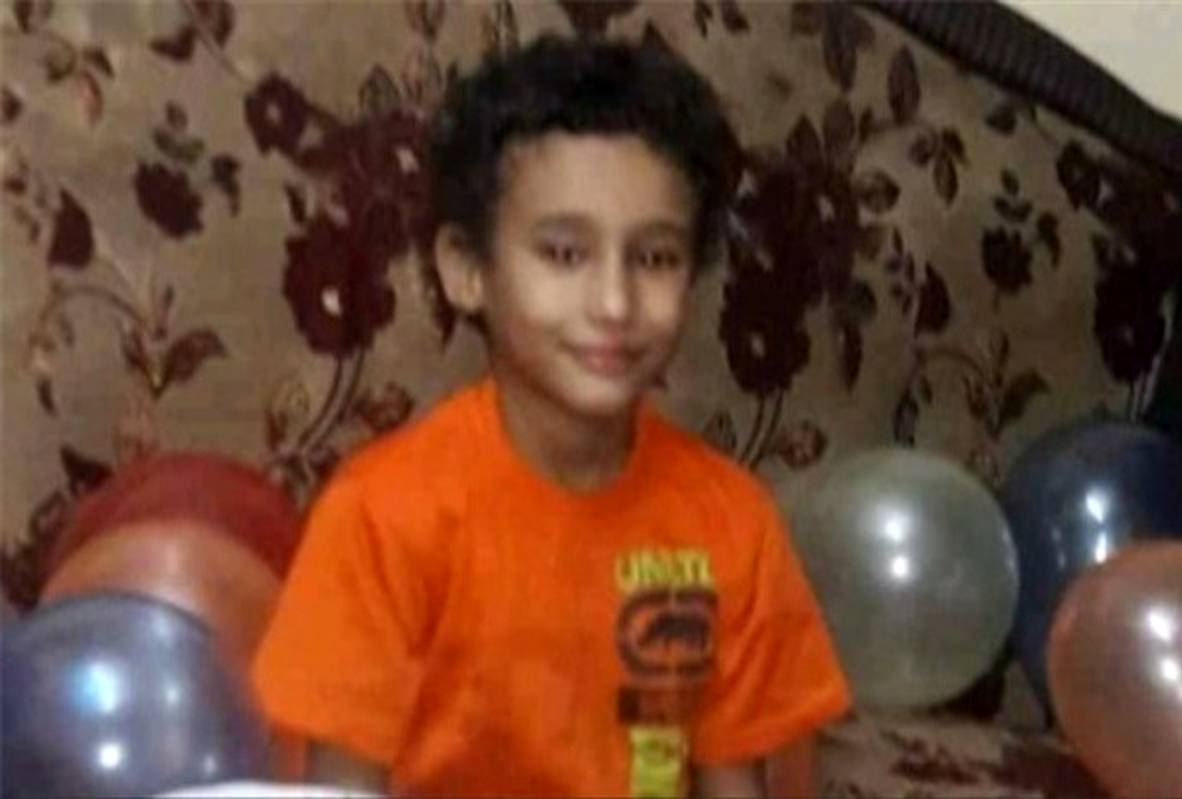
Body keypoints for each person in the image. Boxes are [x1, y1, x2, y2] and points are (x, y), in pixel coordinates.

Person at [253, 33, 850, 798]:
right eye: (565, 253)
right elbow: (338, 788)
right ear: (466, 270)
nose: (614, 303)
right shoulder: (380, 516)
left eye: (655, 257)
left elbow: (732, 782)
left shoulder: (733, 522)